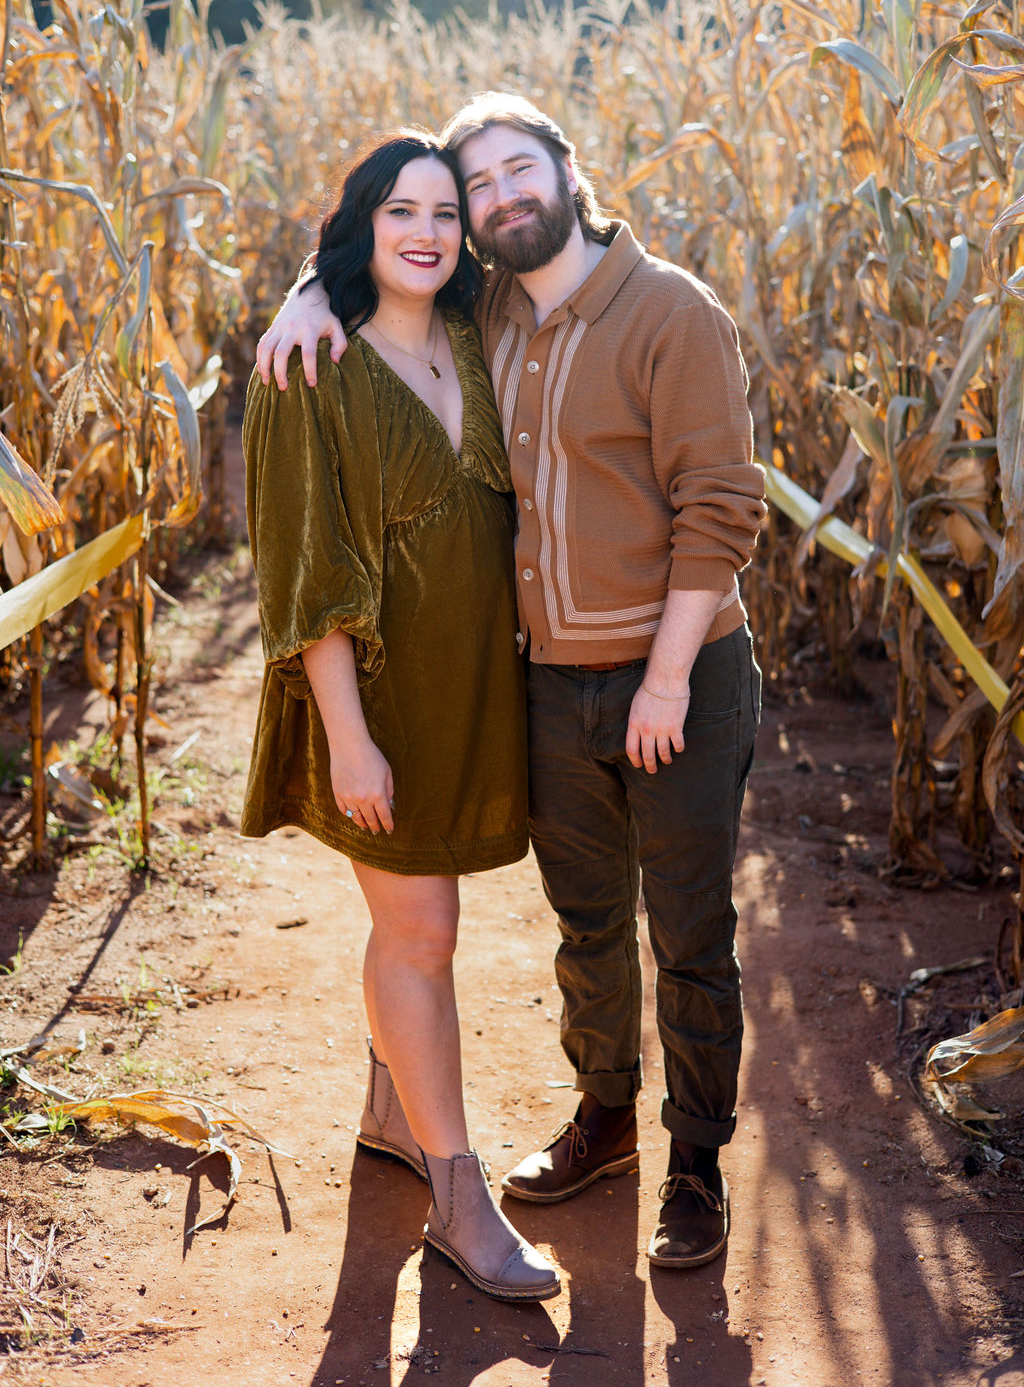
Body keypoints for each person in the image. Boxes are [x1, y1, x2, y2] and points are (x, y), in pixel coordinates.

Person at [256, 94, 765, 1270]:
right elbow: (379, 260)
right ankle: (604, 1122)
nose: (490, 201)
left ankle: (692, 1168)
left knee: (688, 932)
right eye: (473, 189)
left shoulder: (667, 311)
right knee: (587, 926)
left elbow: (723, 506)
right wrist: (304, 291)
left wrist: (669, 679)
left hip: (673, 678)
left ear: (565, 171)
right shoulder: (491, 313)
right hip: (548, 687)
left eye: (506, 174)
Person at [242, 129, 559, 1303]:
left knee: (426, 928)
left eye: (443, 213)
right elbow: (302, 567)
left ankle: (390, 1108)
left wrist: (300, 286)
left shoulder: (480, 331)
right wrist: (348, 734)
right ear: (362, 226)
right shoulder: (311, 366)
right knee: (422, 936)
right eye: (399, 214)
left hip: (474, 686)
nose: (425, 233)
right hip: (371, 699)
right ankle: (459, 1197)